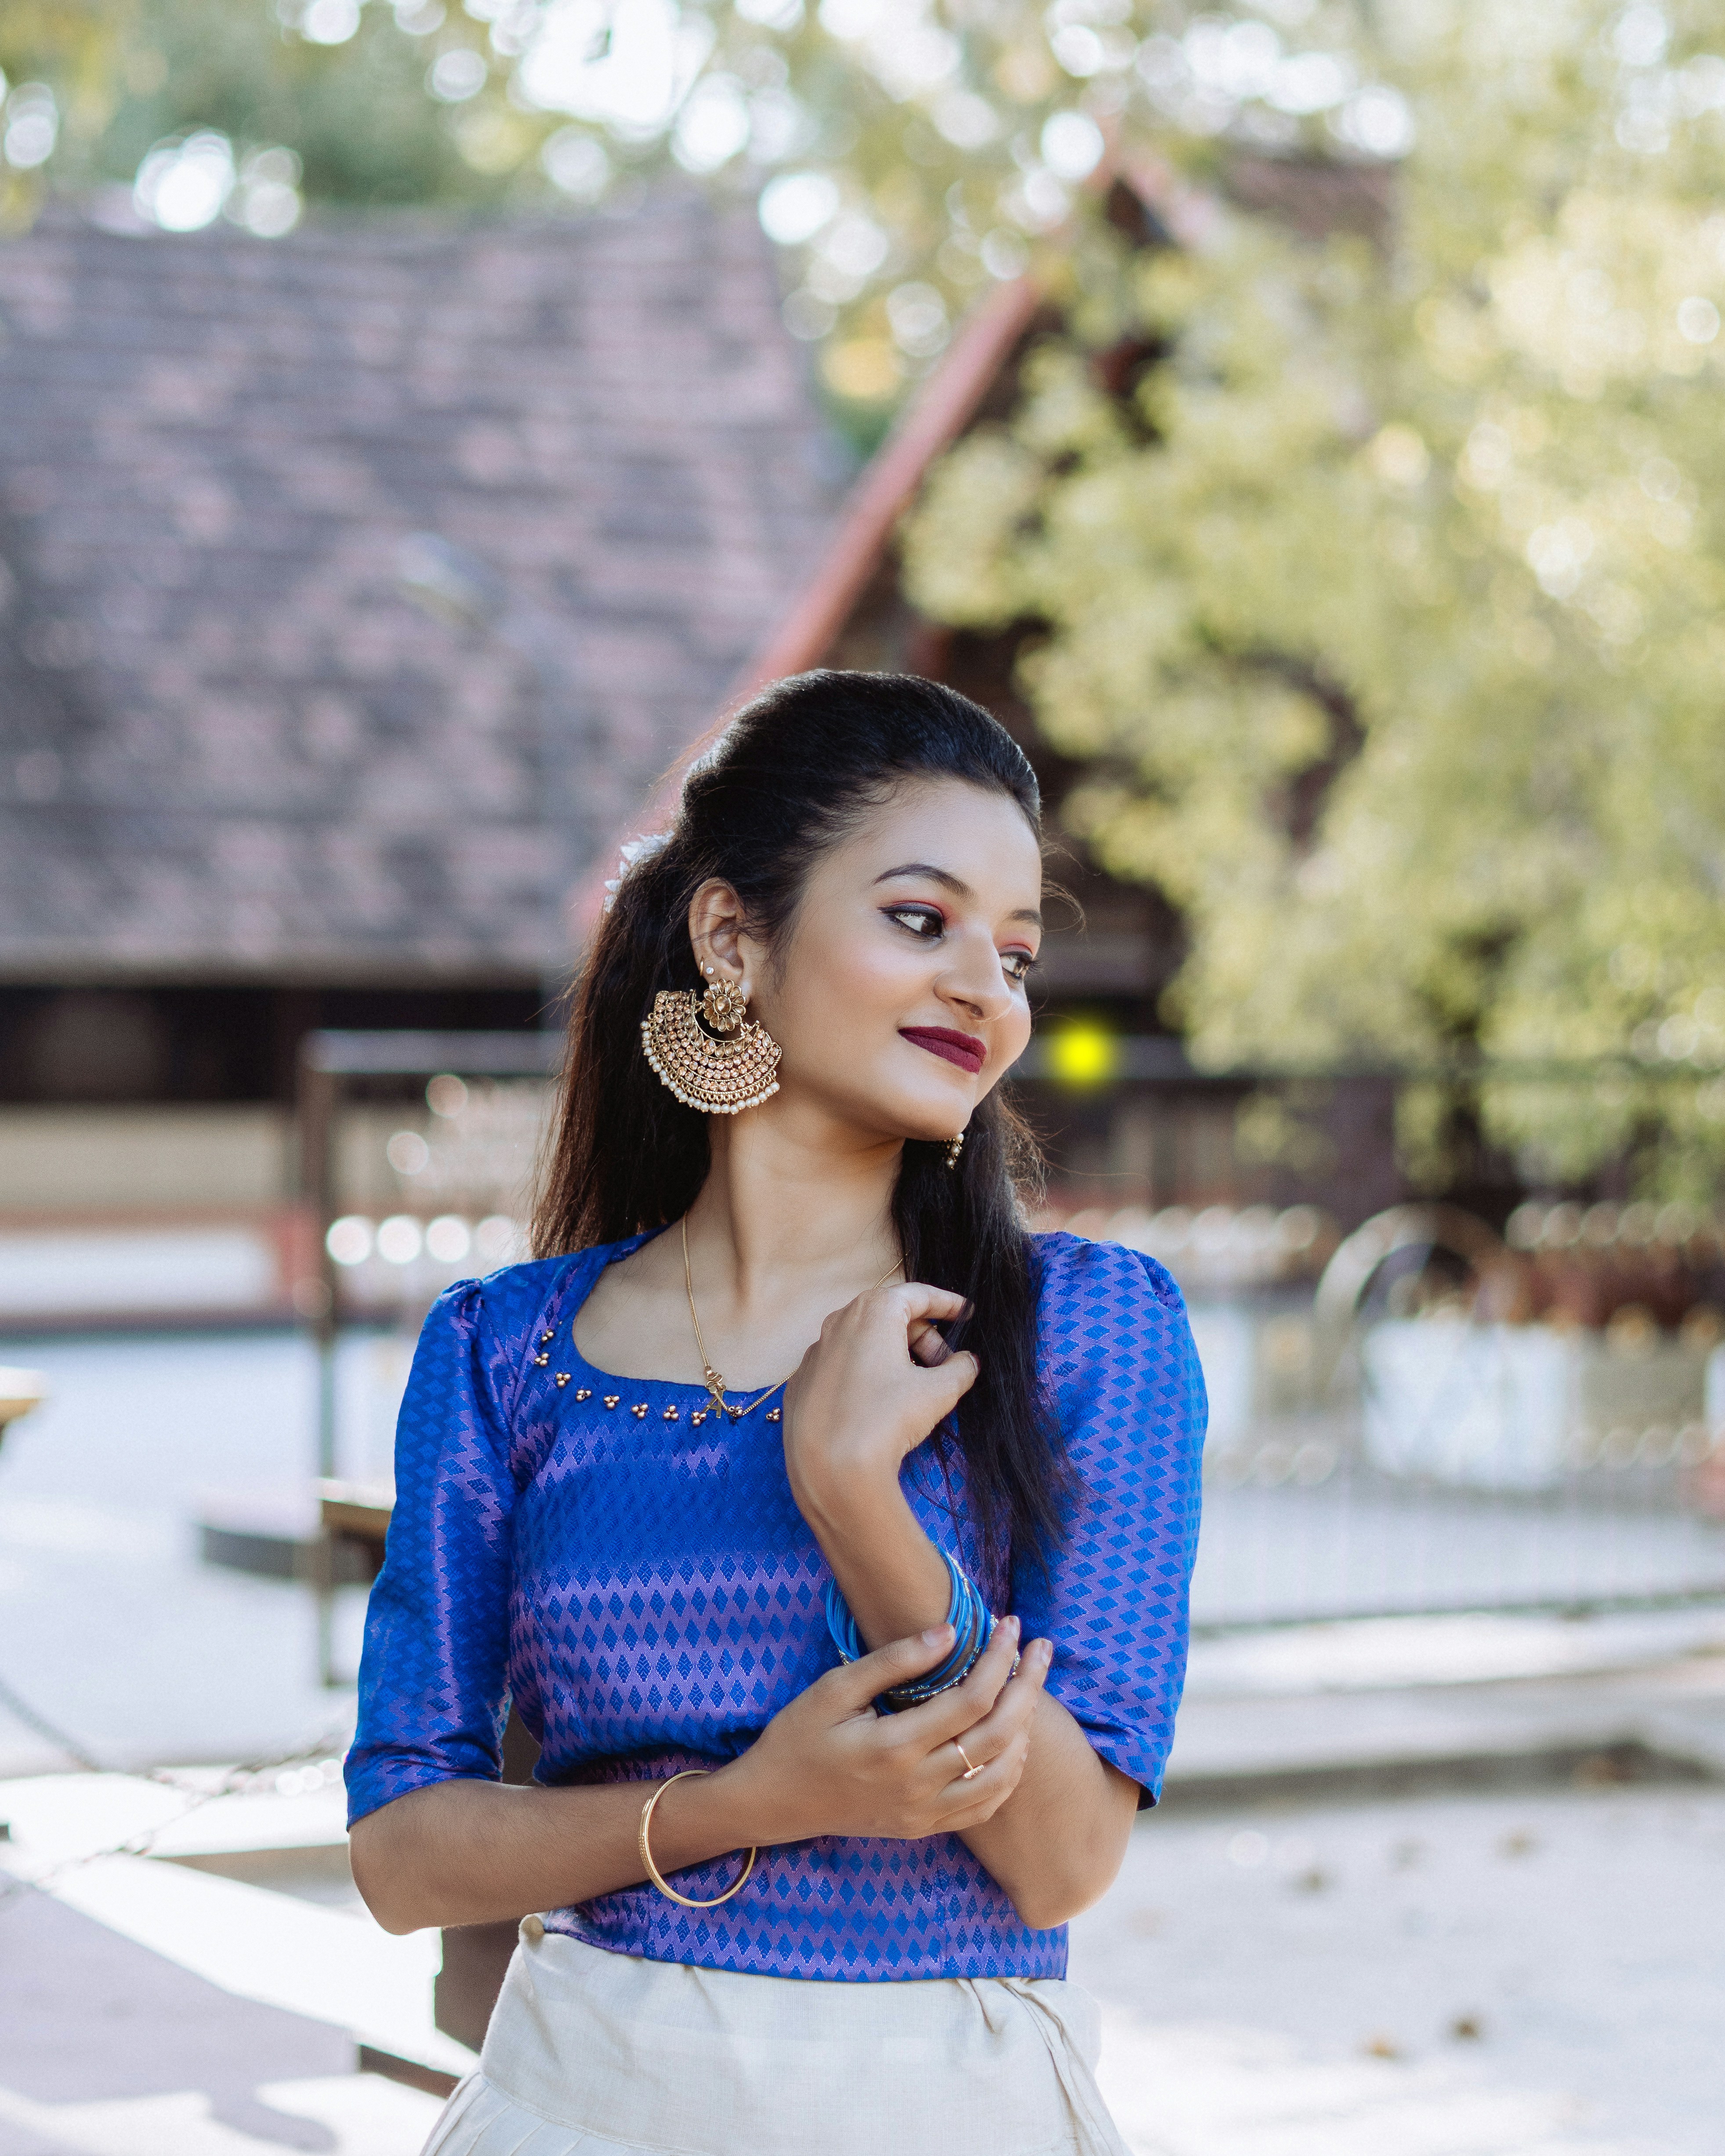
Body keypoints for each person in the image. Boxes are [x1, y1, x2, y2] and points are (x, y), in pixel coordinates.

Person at [345, 671, 1207, 2156]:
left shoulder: (1086, 1329)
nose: (986, 993)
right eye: (921, 921)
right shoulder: (504, 1354)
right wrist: (738, 1803)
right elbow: (402, 1853)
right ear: (734, 937)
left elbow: (1063, 1857)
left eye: (1014, 955)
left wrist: (856, 1491)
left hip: (943, 2102)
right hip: (581, 2100)